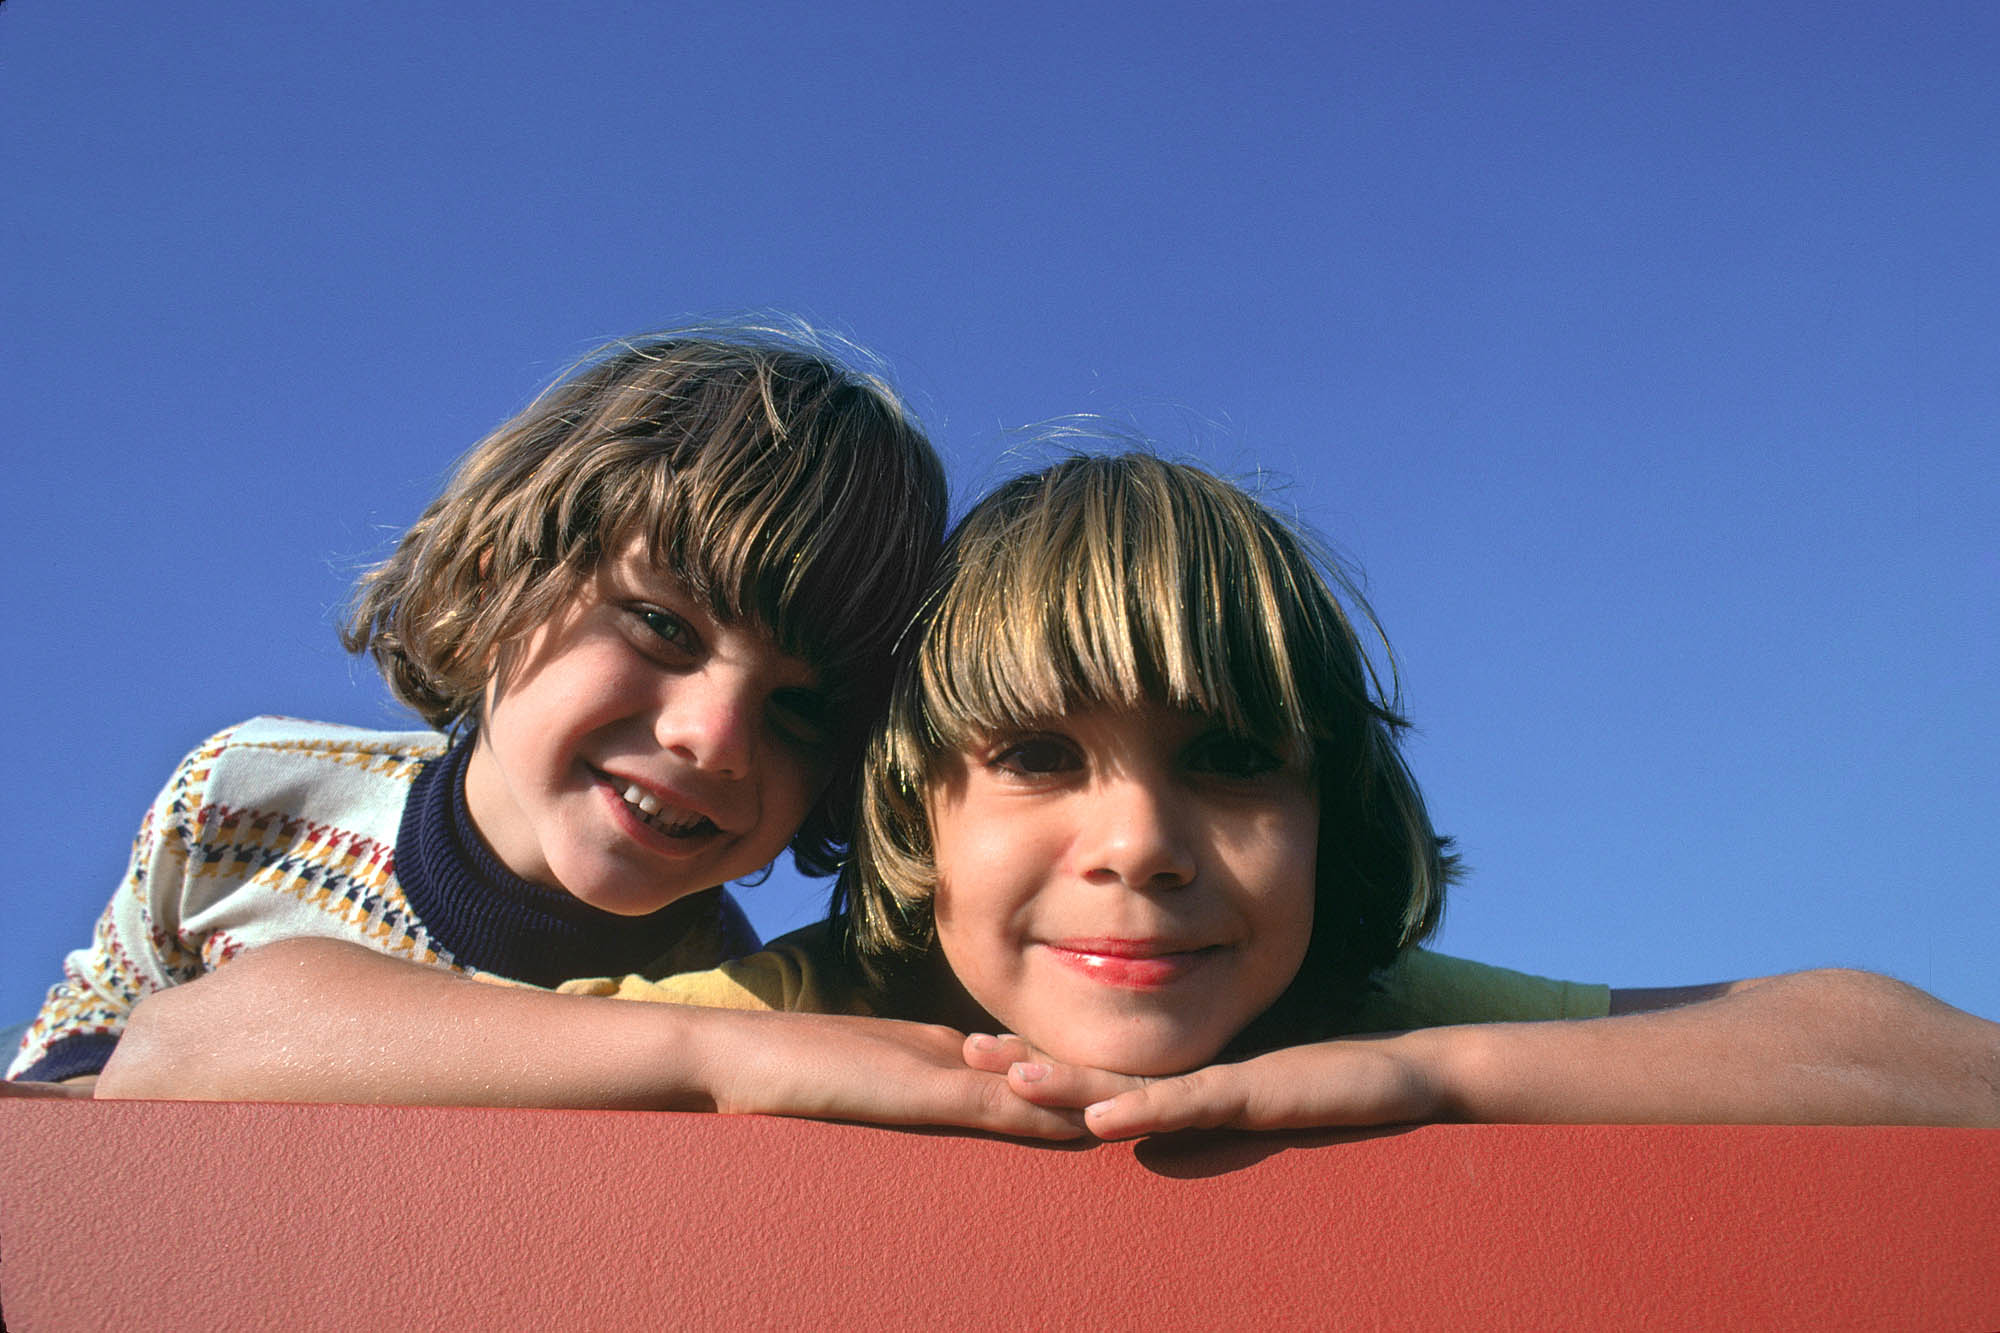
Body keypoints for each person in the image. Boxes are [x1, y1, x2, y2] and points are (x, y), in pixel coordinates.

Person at [91, 453, 1999, 1136]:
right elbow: (193, 1049)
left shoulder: (1351, 1012)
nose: (1141, 840)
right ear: (909, 816)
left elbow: (1925, 1062)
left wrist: (1432, 1077)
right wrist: (719, 1064)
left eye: (1233, 759)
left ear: (1338, 824)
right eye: (1037, 756)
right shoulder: (814, 1013)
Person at [5, 325, 948, 1090]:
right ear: (505, 574)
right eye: (664, 626)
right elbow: (73, 1081)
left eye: (801, 710)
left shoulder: (747, 1010)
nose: (714, 737)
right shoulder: (247, 799)